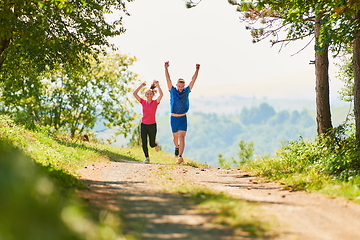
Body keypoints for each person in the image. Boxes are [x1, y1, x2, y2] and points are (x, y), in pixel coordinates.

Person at [164, 61, 200, 164]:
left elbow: (193, 80)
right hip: (174, 118)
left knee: (182, 137)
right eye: (179, 86)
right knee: (175, 139)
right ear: (176, 85)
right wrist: (166, 68)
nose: (180, 88)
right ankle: (176, 147)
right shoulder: (172, 91)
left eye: (182, 86)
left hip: (183, 118)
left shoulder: (186, 91)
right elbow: (168, 79)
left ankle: (180, 156)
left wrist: (197, 70)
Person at [133, 80, 163, 164]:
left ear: (153, 95)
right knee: (144, 142)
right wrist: (141, 86)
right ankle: (147, 158)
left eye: (150, 94)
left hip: (152, 125)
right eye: (147, 94)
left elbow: (161, 95)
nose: (149, 95)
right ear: (145, 95)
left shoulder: (155, 102)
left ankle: (155, 145)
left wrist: (158, 85)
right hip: (144, 125)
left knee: (151, 144)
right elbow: (134, 94)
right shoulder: (143, 102)